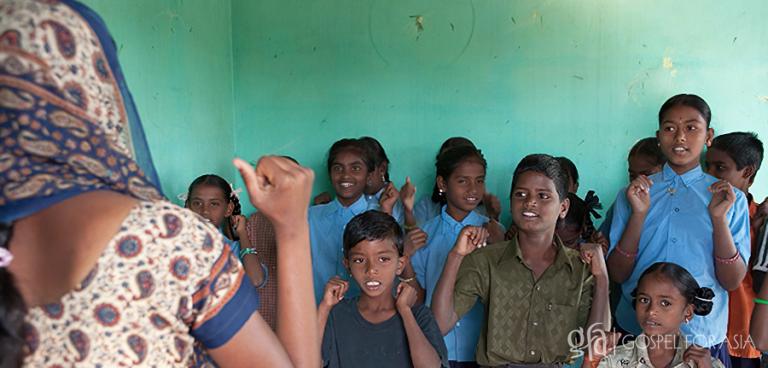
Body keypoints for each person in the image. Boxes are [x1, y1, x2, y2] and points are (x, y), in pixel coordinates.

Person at [0, 1, 318, 366]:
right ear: (100, 90)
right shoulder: (162, 238)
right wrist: (292, 228)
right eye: (197, 202)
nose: (204, 210)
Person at [607, 94, 751, 364]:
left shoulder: (730, 200)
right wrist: (639, 215)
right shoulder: (634, 194)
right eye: (670, 128)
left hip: (699, 336)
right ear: (659, 136)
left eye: (691, 128)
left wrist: (719, 219)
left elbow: (732, 281)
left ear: (709, 136)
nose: (680, 137)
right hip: (637, 333)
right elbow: (617, 272)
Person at [431, 154, 610, 366]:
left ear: (563, 207)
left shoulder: (580, 268)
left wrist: (602, 279)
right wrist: (456, 256)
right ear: (511, 201)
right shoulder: (486, 260)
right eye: (521, 194)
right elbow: (440, 324)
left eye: (543, 196)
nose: (530, 202)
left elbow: (594, 344)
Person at [405, 145, 503, 367]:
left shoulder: (494, 232)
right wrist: (406, 258)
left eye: (479, 180)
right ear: (442, 183)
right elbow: (418, 297)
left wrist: (501, 244)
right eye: (463, 181)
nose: (473, 189)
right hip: (438, 347)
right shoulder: (423, 235)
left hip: (481, 348)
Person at [318, 211, 448, 368]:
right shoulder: (335, 315)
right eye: (359, 260)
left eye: (383, 259)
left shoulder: (419, 316)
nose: (371, 270)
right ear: (348, 265)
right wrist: (324, 308)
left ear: (400, 264)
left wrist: (405, 312)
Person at [588, 262, 725, 368]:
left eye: (665, 303)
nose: (651, 310)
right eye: (644, 300)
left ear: (688, 312)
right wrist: (590, 361)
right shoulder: (614, 359)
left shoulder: (704, 363)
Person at [705, 132, 766, 367]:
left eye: (720, 168)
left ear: (747, 172)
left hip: (743, 331)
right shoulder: (702, 211)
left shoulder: (761, 217)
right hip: (706, 329)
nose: (709, 175)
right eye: (706, 166)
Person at [309, 138, 375, 302]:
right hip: (316, 314)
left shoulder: (379, 217)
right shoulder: (310, 217)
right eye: (338, 168)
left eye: (356, 168)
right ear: (330, 174)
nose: (346, 175)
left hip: (365, 319)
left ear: (368, 176)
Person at [186, 174, 267, 286]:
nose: (205, 210)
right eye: (197, 203)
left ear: (228, 209)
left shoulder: (233, 248)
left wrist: (242, 233)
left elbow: (256, 280)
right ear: (188, 207)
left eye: (214, 204)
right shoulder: (176, 242)